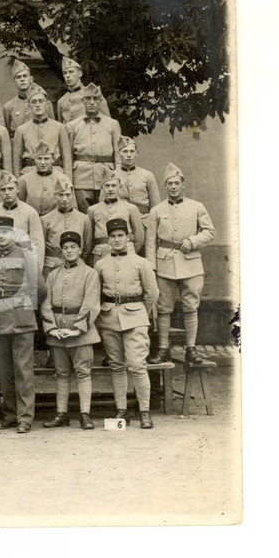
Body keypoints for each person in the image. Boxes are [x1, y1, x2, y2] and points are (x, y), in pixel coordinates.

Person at [0, 216, 46, 434]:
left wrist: (23, 306)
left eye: (5, 232)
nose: (1, 236)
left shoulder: (26, 256)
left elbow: (40, 289)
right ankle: (10, 414)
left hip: (22, 318)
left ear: (13, 234)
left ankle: (25, 417)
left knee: (23, 371)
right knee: (4, 372)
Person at [146, 162, 216, 365]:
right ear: (165, 186)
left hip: (191, 263)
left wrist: (192, 241)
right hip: (165, 263)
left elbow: (210, 231)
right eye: (170, 183)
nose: (174, 186)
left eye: (177, 183)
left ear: (182, 184)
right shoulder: (156, 210)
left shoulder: (196, 206)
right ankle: (163, 349)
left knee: (190, 306)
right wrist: (152, 266)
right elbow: (151, 241)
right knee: (164, 307)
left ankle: (191, 349)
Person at [94, 219, 159, 429]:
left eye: (120, 235)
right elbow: (97, 294)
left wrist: (140, 314)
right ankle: (121, 409)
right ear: (109, 239)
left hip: (136, 318)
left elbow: (152, 294)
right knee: (116, 366)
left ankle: (144, 411)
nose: (116, 240)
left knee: (137, 365)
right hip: (109, 317)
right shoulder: (101, 264)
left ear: (128, 237)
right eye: (112, 236)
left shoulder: (141, 263)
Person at [39, 230, 101, 429]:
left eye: (73, 247)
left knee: (83, 373)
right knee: (62, 374)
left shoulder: (90, 274)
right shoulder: (53, 275)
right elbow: (45, 304)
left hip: (81, 333)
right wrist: (52, 328)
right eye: (65, 248)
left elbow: (91, 303)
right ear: (61, 251)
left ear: (80, 249)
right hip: (58, 331)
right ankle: (61, 413)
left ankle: (85, 414)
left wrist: (77, 329)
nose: (69, 251)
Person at [65, 83, 122, 210]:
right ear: (82, 101)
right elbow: (68, 157)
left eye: (95, 99)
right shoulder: (72, 126)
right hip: (81, 179)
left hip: (107, 176)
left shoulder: (112, 124)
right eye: (88, 99)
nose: (91, 102)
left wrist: (117, 177)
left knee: (107, 213)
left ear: (100, 101)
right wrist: (69, 181)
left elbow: (118, 154)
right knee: (84, 216)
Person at [0, 170, 45, 274]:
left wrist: (36, 271)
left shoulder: (30, 212)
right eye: (3, 189)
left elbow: (37, 244)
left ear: (18, 189)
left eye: (10, 189)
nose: (7, 192)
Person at [86, 166, 145, 261]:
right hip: (101, 255)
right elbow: (89, 239)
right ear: (102, 187)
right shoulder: (93, 210)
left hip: (126, 253)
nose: (110, 189)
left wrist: (130, 251)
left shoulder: (130, 208)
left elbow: (139, 238)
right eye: (107, 186)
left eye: (113, 186)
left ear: (119, 187)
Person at [12, 85, 72, 177]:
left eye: (41, 101)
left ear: (47, 105)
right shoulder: (21, 130)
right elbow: (16, 161)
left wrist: (68, 183)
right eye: (34, 102)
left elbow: (67, 159)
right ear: (29, 106)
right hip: (29, 175)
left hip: (55, 174)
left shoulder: (59, 127)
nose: (37, 105)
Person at [40, 177, 93, 278]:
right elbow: (42, 245)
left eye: (67, 195)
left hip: (76, 266)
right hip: (52, 266)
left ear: (72, 195)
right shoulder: (45, 219)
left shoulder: (84, 218)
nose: (64, 199)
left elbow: (87, 246)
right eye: (61, 195)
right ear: (55, 196)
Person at [115, 137, 161, 240]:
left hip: (144, 221)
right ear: (118, 154)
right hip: (121, 223)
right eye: (125, 151)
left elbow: (156, 207)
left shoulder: (147, 175)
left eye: (132, 151)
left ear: (137, 153)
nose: (129, 155)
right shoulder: (112, 176)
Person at [3, 60, 55, 137]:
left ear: (31, 79)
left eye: (25, 76)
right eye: (18, 77)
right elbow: (7, 132)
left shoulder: (44, 103)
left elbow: (53, 127)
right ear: (14, 81)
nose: (22, 79)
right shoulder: (8, 107)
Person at [16, 144, 70, 217]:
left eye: (46, 158)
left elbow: (70, 207)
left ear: (53, 159)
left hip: (55, 221)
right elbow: (19, 206)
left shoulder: (63, 178)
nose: (43, 162)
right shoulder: (24, 179)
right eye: (39, 158)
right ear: (35, 159)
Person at [57, 56, 111, 124]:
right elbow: (60, 127)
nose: (68, 76)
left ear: (80, 74)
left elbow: (109, 123)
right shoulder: (61, 101)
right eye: (65, 73)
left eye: (71, 72)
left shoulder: (93, 94)